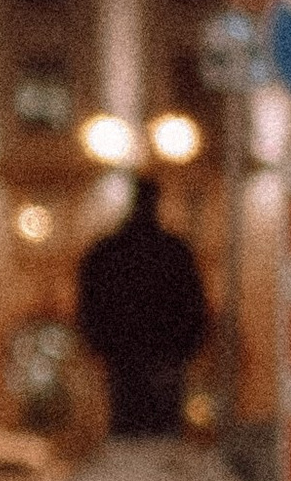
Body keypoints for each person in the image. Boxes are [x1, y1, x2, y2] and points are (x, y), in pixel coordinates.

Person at [73, 172, 211, 439]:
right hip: (165, 359)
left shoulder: (106, 251)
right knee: (163, 431)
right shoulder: (175, 251)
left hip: (123, 359)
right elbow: (195, 307)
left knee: (127, 428)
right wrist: (185, 350)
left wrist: (101, 347)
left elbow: (88, 305)